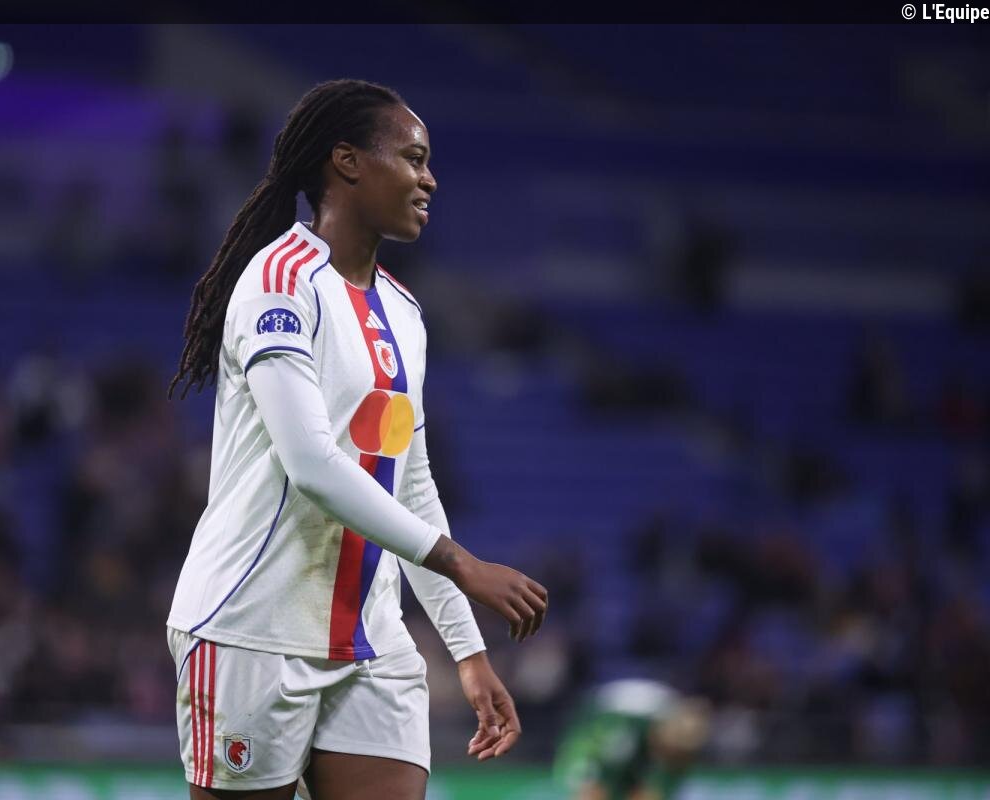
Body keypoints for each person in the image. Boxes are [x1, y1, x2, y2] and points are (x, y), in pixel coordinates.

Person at [164, 79, 549, 800]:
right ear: (347, 162)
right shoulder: (279, 283)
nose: (429, 179)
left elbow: (411, 482)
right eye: (413, 158)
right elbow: (311, 463)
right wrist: (462, 564)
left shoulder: (403, 312)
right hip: (253, 629)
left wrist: (466, 651)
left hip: (371, 643)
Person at [553, 679, 712, 800]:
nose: (675, 750)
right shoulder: (625, 736)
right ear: (664, 728)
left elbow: (658, 792)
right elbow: (596, 788)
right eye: (676, 742)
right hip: (593, 740)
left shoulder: (682, 753)